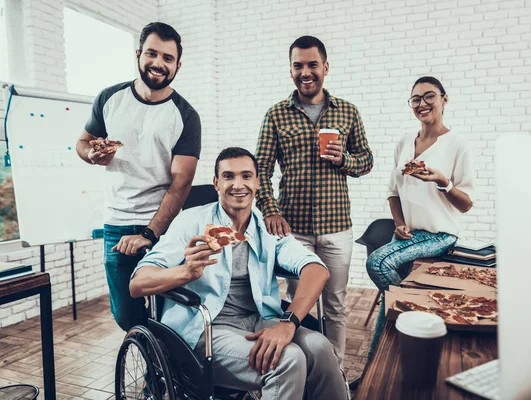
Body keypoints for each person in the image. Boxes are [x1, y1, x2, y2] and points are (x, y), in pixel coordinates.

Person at [129, 147, 347, 399]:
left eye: (246, 176)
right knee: (288, 359)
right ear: (216, 183)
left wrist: (288, 323)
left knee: (320, 347)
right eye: (229, 176)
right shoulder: (191, 222)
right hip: (204, 328)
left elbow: (316, 269)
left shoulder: (267, 227)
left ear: (257, 182)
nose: (238, 185)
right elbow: (137, 284)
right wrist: (185, 272)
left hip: (259, 319)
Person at [255, 35, 373, 365]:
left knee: (334, 303)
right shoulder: (276, 115)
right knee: (299, 303)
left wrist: (344, 160)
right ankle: (306, 367)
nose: (305, 72)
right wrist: (270, 210)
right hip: (294, 230)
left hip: (337, 228)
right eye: (298, 65)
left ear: (325, 68)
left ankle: (334, 370)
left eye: (312, 65)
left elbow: (366, 160)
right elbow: (260, 167)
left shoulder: (348, 112)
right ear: (290, 70)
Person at [75, 22, 201, 331]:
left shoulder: (186, 115)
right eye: (152, 53)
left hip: (163, 227)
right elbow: (81, 143)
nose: (159, 63)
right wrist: (91, 155)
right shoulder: (109, 98)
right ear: (138, 54)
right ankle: (150, 351)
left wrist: (149, 233)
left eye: (167, 58)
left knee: (171, 310)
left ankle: (162, 374)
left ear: (177, 65)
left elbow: (180, 183)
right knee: (126, 315)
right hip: (116, 224)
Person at [366, 76, 475, 358]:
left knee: (377, 263)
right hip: (408, 235)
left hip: (439, 234)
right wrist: (400, 223)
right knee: (386, 307)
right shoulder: (404, 142)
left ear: (444, 99)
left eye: (429, 96)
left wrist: (443, 181)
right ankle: (370, 371)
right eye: (416, 99)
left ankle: (422, 308)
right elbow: (393, 192)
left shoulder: (457, 145)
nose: (422, 104)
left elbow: (465, 204)